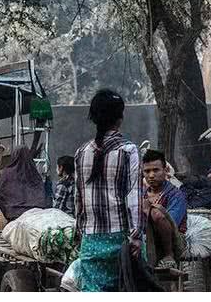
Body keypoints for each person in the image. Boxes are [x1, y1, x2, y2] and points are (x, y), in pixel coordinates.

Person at [74, 89, 143, 292]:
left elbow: (78, 201)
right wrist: (136, 236)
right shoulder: (129, 150)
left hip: (91, 240)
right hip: (121, 241)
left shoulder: (81, 153)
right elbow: (134, 197)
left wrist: (80, 234)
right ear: (120, 118)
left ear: (94, 118)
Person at [142, 149, 187, 269]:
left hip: (173, 242)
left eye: (156, 170)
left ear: (165, 170)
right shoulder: (141, 194)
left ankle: (169, 256)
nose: (151, 175)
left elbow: (171, 223)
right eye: (147, 171)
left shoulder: (176, 195)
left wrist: (147, 211)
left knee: (157, 213)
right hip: (146, 239)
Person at [0, 145, 48, 221]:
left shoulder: (7, 172)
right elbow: (42, 194)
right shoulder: (34, 172)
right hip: (36, 214)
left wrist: (7, 210)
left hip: (14, 214)